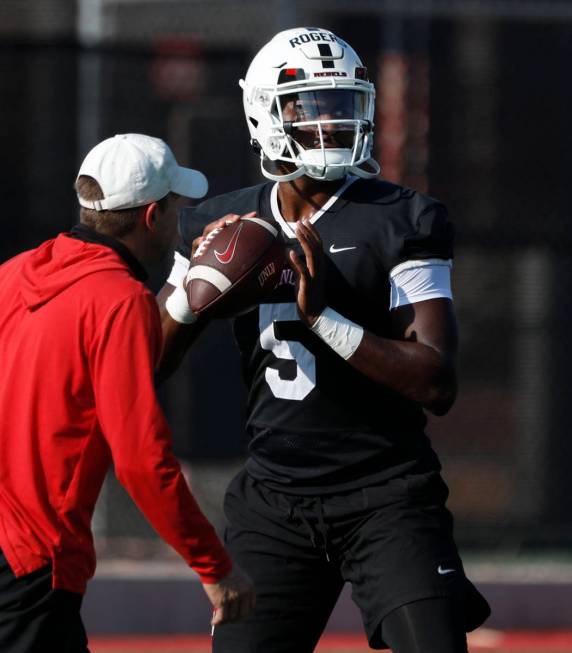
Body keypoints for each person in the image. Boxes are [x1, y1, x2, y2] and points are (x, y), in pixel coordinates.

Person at [158, 27, 490, 653]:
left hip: (387, 496)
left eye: (343, 105)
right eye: (311, 107)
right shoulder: (217, 222)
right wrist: (189, 290)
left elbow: (436, 380)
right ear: (265, 113)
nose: (333, 122)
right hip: (274, 501)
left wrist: (324, 320)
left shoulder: (403, 218)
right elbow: (146, 364)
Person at [0, 133, 254, 653]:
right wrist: (214, 566)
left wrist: (184, 292)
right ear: (151, 217)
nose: (179, 215)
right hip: (34, 562)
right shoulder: (121, 301)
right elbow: (141, 461)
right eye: (175, 205)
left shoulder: (13, 273)